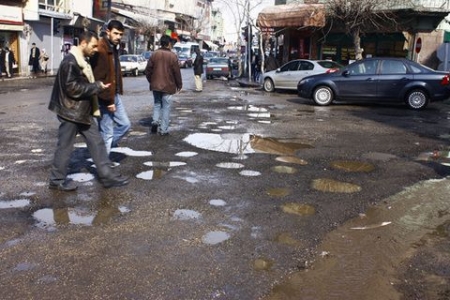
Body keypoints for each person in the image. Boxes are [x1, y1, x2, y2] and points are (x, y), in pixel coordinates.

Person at [48, 30, 129, 191]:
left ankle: (107, 177)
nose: (96, 49)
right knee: (65, 146)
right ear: (83, 43)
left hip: (81, 111)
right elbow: (72, 88)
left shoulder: (81, 60)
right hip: (71, 112)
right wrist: (96, 86)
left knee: (97, 142)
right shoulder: (70, 62)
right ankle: (56, 181)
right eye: (93, 46)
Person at [91, 20, 131, 155]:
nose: (118, 37)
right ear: (107, 31)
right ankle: (103, 167)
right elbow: (99, 79)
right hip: (104, 98)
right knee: (107, 132)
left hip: (114, 95)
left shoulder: (113, 47)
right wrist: (109, 101)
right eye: (115, 33)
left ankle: (101, 150)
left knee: (125, 125)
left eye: (120, 34)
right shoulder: (101, 49)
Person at [145, 35, 182, 135]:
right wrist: (179, 85)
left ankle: (155, 122)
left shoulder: (154, 54)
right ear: (169, 44)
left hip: (156, 85)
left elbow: (148, 70)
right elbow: (176, 72)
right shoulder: (172, 56)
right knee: (166, 107)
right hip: (168, 86)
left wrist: (151, 81)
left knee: (157, 104)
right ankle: (163, 130)